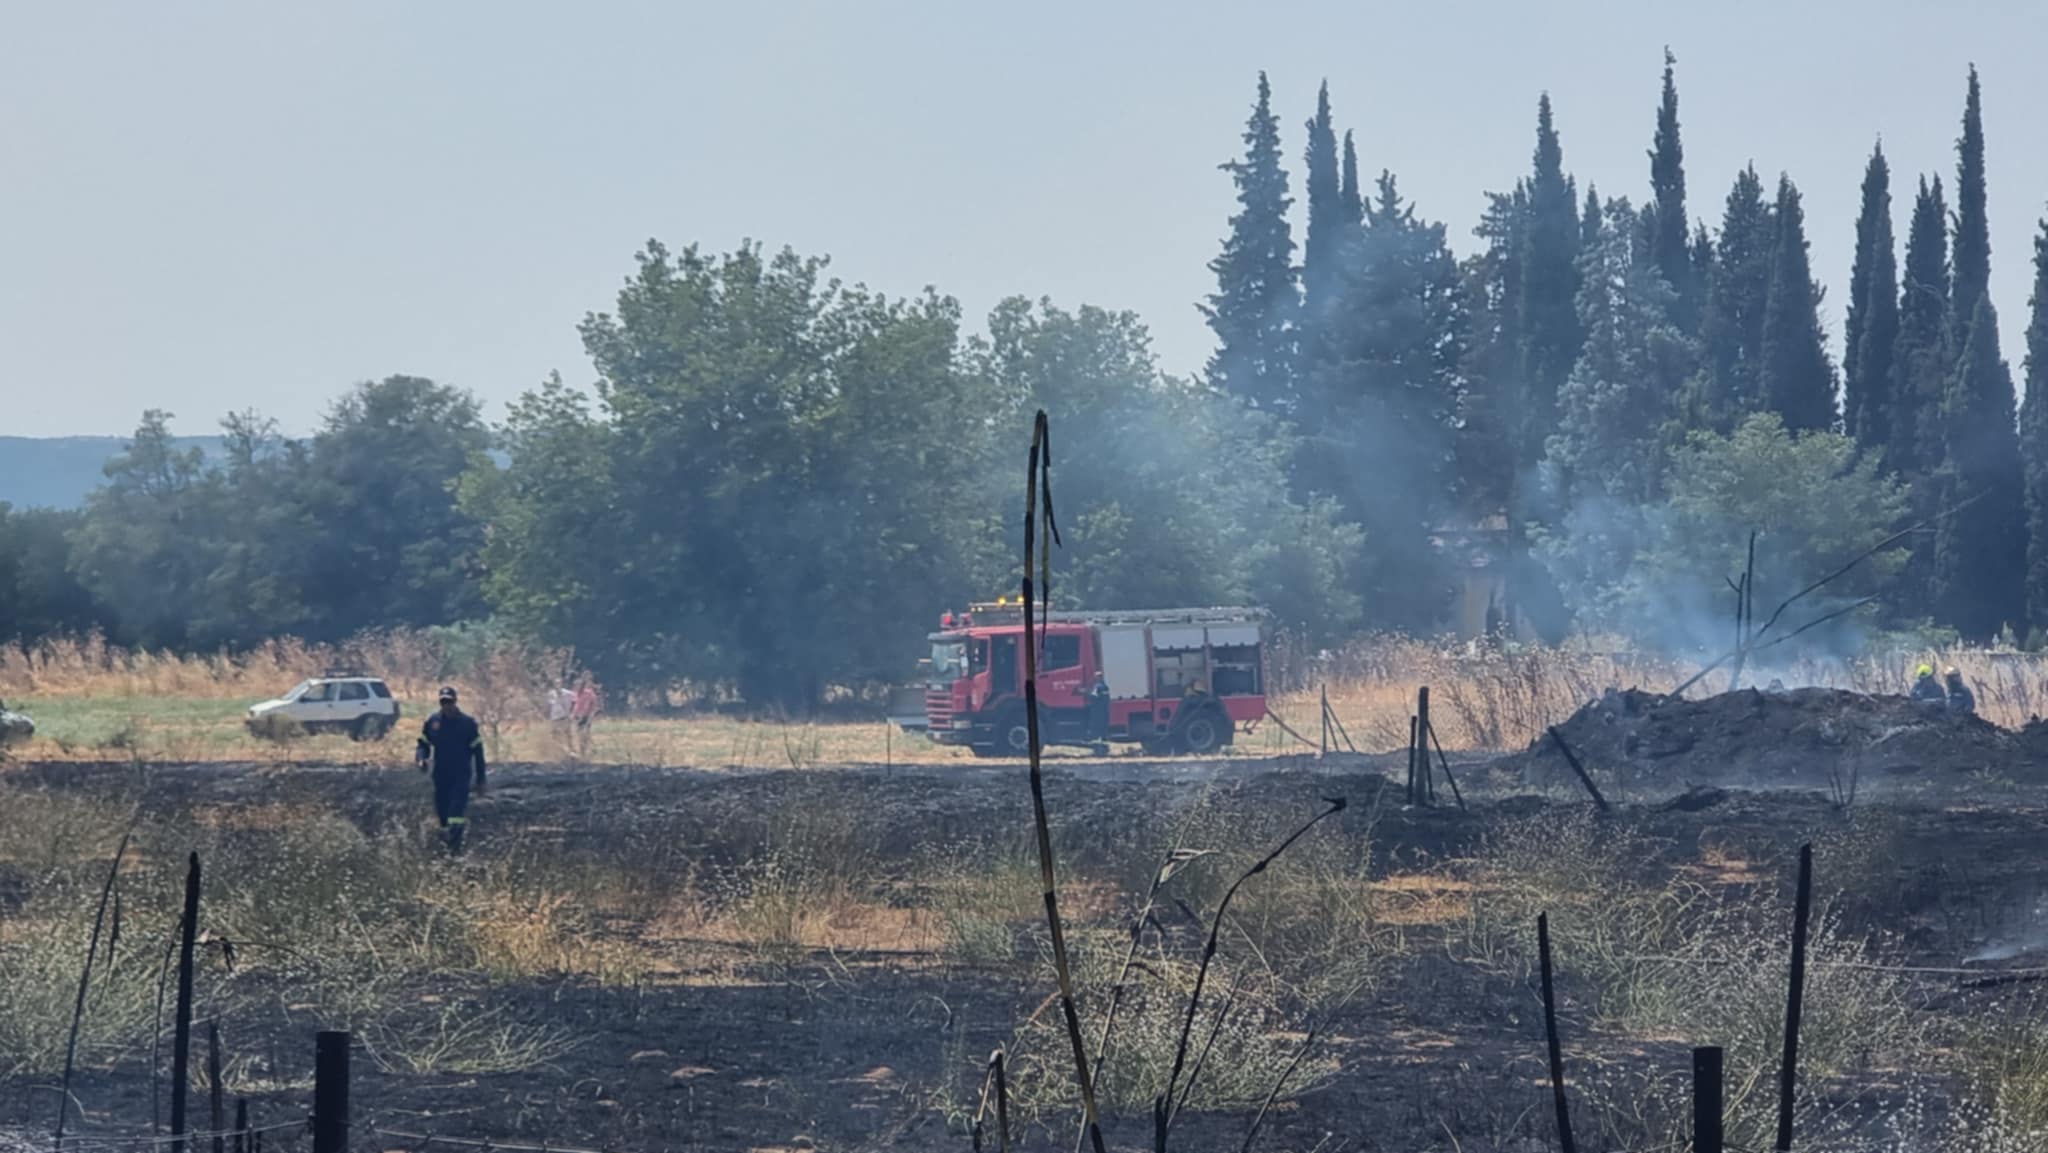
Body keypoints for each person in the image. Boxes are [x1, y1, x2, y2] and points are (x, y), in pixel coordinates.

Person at [416, 686, 486, 854]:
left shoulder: (467, 724)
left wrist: (481, 779)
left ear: (455, 702)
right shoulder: (433, 722)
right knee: (443, 813)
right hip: (440, 774)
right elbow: (423, 743)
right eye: (443, 702)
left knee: (456, 812)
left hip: (461, 775)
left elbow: (478, 752)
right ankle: (446, 844)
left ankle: (455, 848)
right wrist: (421, 759)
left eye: (450, 701)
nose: (447, 705)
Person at [572, 677, 601, 757]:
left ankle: (589, 749)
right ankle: (583, 751)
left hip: (586, 716)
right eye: (576, 686)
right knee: (579, 735)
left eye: (578, 685)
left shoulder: (589, 693)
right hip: (578, 717)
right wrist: (573, 715)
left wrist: (591, 714)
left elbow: (593, 704)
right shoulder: (576, 694)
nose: (577, 687)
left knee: (585, 734)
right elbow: (576, 705)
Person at [1087, 673, 1111, 748]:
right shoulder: (1105, 686)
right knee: (1103, 726)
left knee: (1098, 727)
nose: (1096, 678)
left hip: (1098, 710)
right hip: (1104, 710)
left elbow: (1093, 697)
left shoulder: (1098, 687)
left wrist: (1085, 693)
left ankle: (1100, 746)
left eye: (1097, 677)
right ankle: (1104, 741)